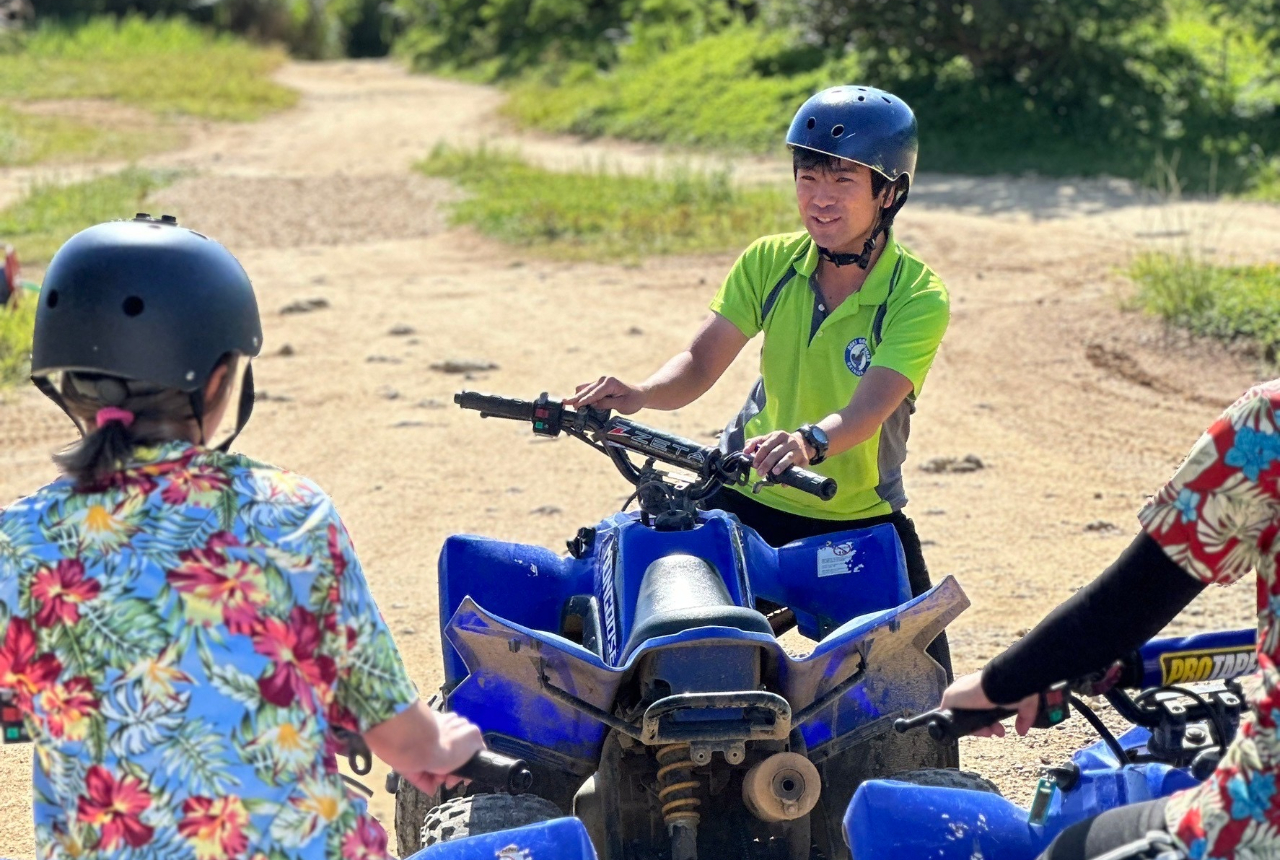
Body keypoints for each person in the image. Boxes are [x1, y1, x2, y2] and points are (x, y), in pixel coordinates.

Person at [0, 215, 483, 860]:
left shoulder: (21, 541)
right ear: (223, 379)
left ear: (63, 384)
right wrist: (448, 743)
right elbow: (402, 740)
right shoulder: (290, 513)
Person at [569, 85, 952, 675]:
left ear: (889, 193)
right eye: (808, 177)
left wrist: (806, 442)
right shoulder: (769, 261)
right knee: (647, 638)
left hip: (855, 513)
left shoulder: (916, 295)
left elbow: (867, 412)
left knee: (920, 693)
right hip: (745, 493)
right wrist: (641, 393)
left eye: (843, 181)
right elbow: (699, 364)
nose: (820, 200)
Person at [941, 379, 1280, 860]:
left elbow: (1128, 605)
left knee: (1069, 850)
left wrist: (999, 683)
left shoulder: (1269, 421)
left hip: (1266, 813)